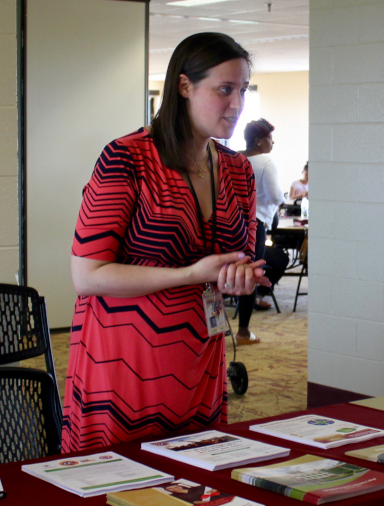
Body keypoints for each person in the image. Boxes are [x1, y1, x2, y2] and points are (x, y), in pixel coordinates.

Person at [63, 32, 268, 451]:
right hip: (125, 358)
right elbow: (87, 275)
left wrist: (239, 277)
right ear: (184, 86)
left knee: (194, 478)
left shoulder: (237, 170)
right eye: (224, 90)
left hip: (201, 353)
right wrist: (190, 274)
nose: (237, 104)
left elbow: (237, 259)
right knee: (121, 480)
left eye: (242, 90)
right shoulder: (127, 158)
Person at [234, 119, 285, 343]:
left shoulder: (232, 157)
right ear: (258, 140)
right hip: (254, 225)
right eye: (269, 138)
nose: (272, 142)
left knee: (230, 272)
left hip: (230, 224)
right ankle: (243, 331)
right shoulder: (265, 161)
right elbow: (276, 196)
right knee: (250, 274)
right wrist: (271, 210)